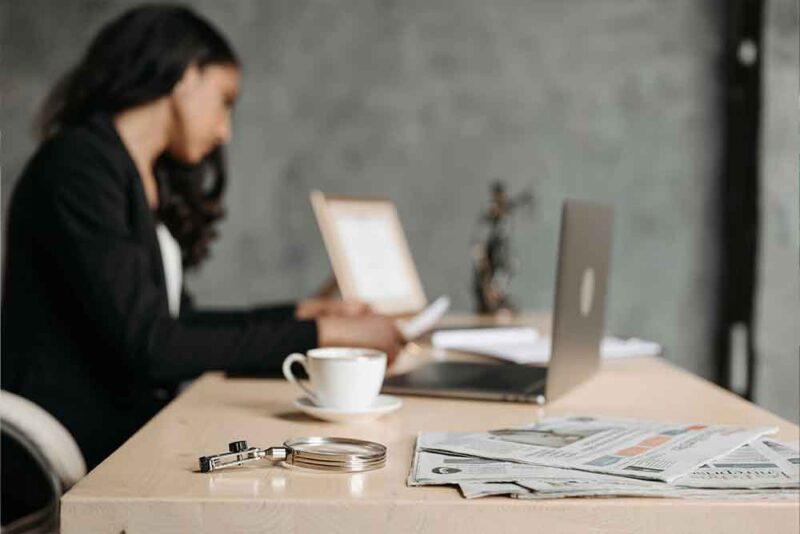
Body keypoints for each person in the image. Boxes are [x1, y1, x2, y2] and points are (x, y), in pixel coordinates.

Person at [0, 4, 404, 473]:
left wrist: (301, 314)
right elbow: (152, 345)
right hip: (76, 446)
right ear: (184, 77)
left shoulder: (133, 172)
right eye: (225, 100)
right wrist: (322, 334)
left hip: (127, 429)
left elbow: (175, 321)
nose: (224, 130)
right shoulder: (78, 168)